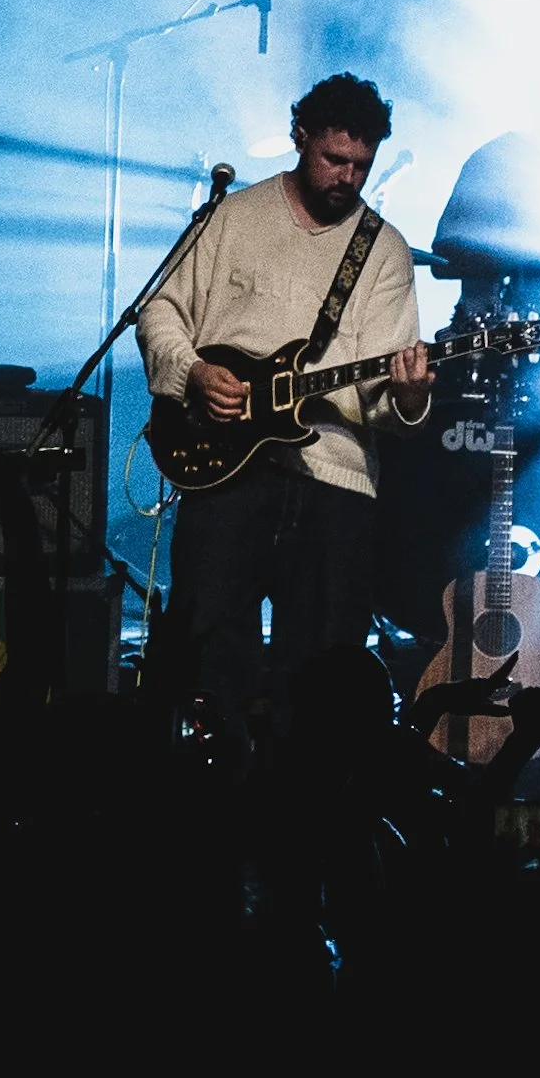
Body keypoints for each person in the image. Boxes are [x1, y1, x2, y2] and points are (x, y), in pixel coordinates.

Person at [138, 73, 436, 745]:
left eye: (362, 166)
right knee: (208, 648)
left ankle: (306, 821)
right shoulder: (232, 216)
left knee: (326, 670)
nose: (347, 178)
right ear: (300, 137)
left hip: (335, 479)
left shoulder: (383, 250)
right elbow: (159, 309)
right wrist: (193, 373)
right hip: (223, 468)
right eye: (335, 159)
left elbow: (381, 399)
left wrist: (410, 395)